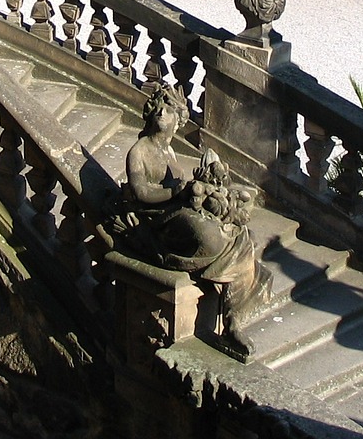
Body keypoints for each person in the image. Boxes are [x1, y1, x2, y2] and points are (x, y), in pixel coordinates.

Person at [116, 85, 271, 356]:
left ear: (178, 120)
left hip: (178, 211)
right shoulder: (140, 150)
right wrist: (177, 191)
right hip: (159, 219)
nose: (161, 113)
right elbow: (141, 192)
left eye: (169, 110)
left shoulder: (170, 153)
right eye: (159, 108)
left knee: (243, 236)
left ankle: (233, 320)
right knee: (210, 236)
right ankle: (231, 316)